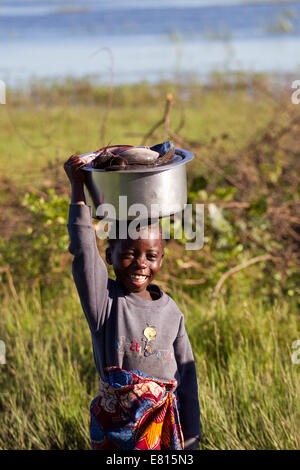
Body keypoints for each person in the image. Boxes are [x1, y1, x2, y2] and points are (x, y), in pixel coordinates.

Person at [64, 154, 201, 450]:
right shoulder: (105, 303)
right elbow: (84, 250)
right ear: (109, 256)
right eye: (128, 253)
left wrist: (192, 433)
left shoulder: (171, 312)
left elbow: (187, 377)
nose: (141, 264)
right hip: (116, 429)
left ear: (161, 258)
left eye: (151, 256)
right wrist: (77, 188)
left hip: (163, 426)